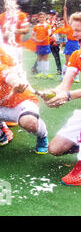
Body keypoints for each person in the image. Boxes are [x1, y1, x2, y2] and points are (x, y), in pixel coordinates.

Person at [44, 12, 81, 185]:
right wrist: (52, 94)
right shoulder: (76, 55)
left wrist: (68, 96)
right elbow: (64, 86)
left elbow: (68, 93)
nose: (76, 34)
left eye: (79, 30)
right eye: (74, 31)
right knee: (55, 149)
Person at [0, 0, 30, 67]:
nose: (10, 5)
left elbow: (26, 30)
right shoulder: (0, 17)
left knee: (18, 66)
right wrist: (5, 35)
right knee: (5, 65)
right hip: (5, 46)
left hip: (17, 46)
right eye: (8, 3)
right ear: (5, 5)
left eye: (12, 3)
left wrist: (15, 31)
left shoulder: (21, 15)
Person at [53, 9, 81, 82]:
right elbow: (65, 20)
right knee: (68, 61)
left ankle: (76, 77)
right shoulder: (70, 26)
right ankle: (63, 76)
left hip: (76, 44)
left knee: (77, 61)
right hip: (69, 44)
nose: (75, 33)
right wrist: (65, 11)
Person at [31, 12, 53, 79]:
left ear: (45, 18)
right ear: (38, 18)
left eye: (43, 17)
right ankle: (40, 73)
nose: (42, 19)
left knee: (46, 58)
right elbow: (32, 36)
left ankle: (46, 73)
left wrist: (43, 40)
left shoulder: (47, 25)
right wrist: (36, 40)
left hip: (46, 44)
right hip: (38, 45)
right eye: (40, 17)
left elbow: (49, 34)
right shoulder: (36, 26)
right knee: (39, 59)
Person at [48, 9, 63, 76]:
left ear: (55, 15)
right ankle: (34, 68)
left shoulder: (58, 23)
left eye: (53, 14)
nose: (51, 16)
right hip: (47, 41)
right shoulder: (46, 22)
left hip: (54, 42)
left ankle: (59, 70)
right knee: (42, 55)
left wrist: (60, 45)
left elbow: (61, 33)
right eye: (50, 14)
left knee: (56, 56)